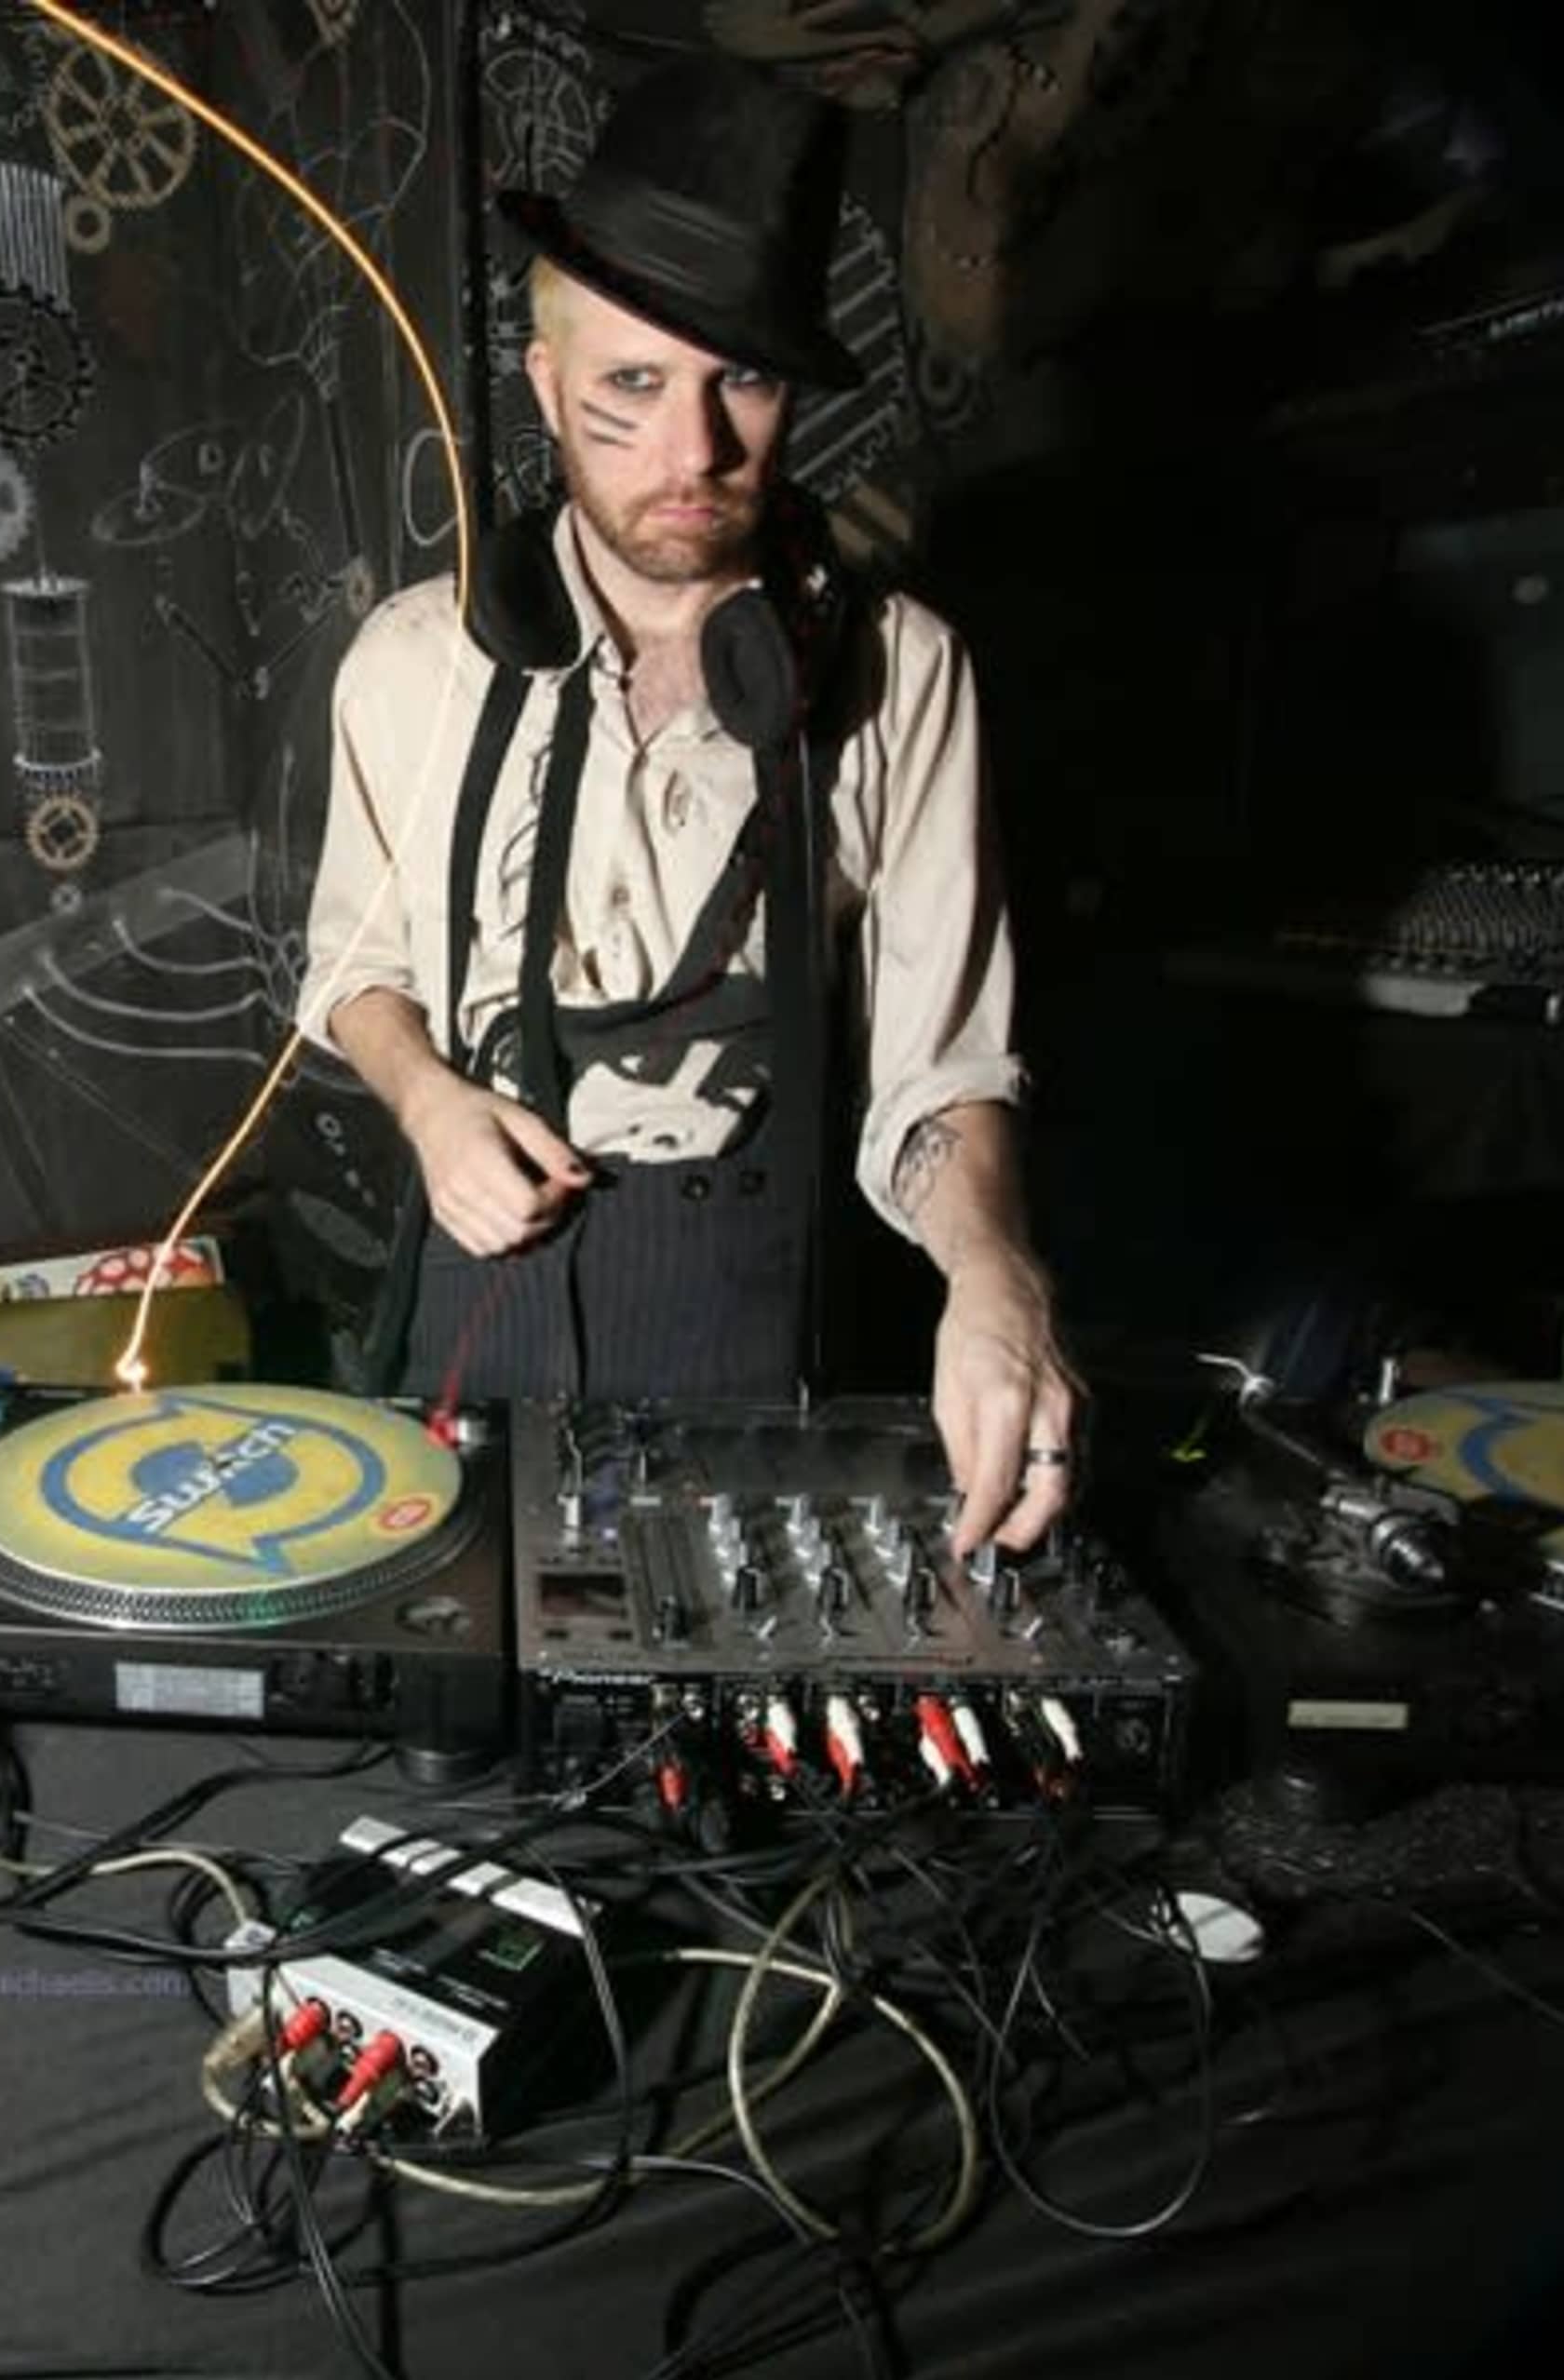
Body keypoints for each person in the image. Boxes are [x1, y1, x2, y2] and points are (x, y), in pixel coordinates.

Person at [296, 56, 1082, 1555]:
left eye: (745, 382)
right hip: (477, 1300)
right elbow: (356, 967)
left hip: (761, 1313)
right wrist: (429, 1102)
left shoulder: (908, 672)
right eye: (631, 388)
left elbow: (941, 1069)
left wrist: (994, 1272)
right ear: (546, 385)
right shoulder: (410, 661)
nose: (693, 455)